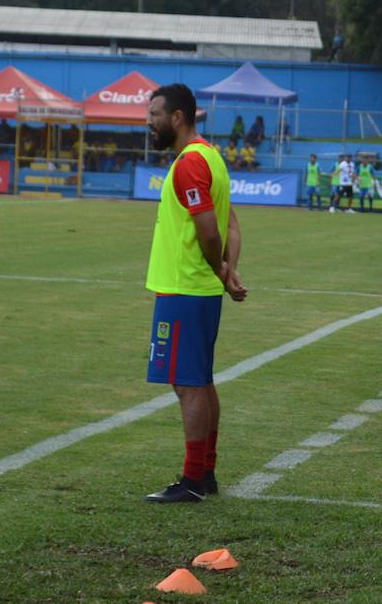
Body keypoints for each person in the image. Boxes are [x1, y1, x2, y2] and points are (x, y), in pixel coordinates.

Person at [143, 83, 247, 503]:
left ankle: (193, 481)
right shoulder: (211, 158)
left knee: (188, 385)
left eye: (154, 114)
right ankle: (205, 472)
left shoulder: (190, 163)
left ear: (177, 117)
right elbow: (232, 225)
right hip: (195, 290)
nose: (149, 122)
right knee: (200, 382)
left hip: (185, 289)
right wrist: (228, 270)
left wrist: (221, 270)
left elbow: (210, 230)